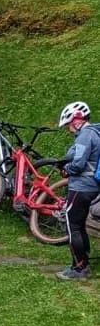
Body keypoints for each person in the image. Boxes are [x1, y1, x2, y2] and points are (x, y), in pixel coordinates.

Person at [55, 101, 100, 280]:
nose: (68, 129)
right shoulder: (95, 132)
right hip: (91, 186)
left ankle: (79, 268)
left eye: (68, 125)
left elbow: (79, 164)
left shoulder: (85, 136)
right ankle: (84, 262)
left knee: (72, 226)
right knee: (79, 225)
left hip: (81, 187)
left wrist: (66, 170)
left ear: (77, 120)